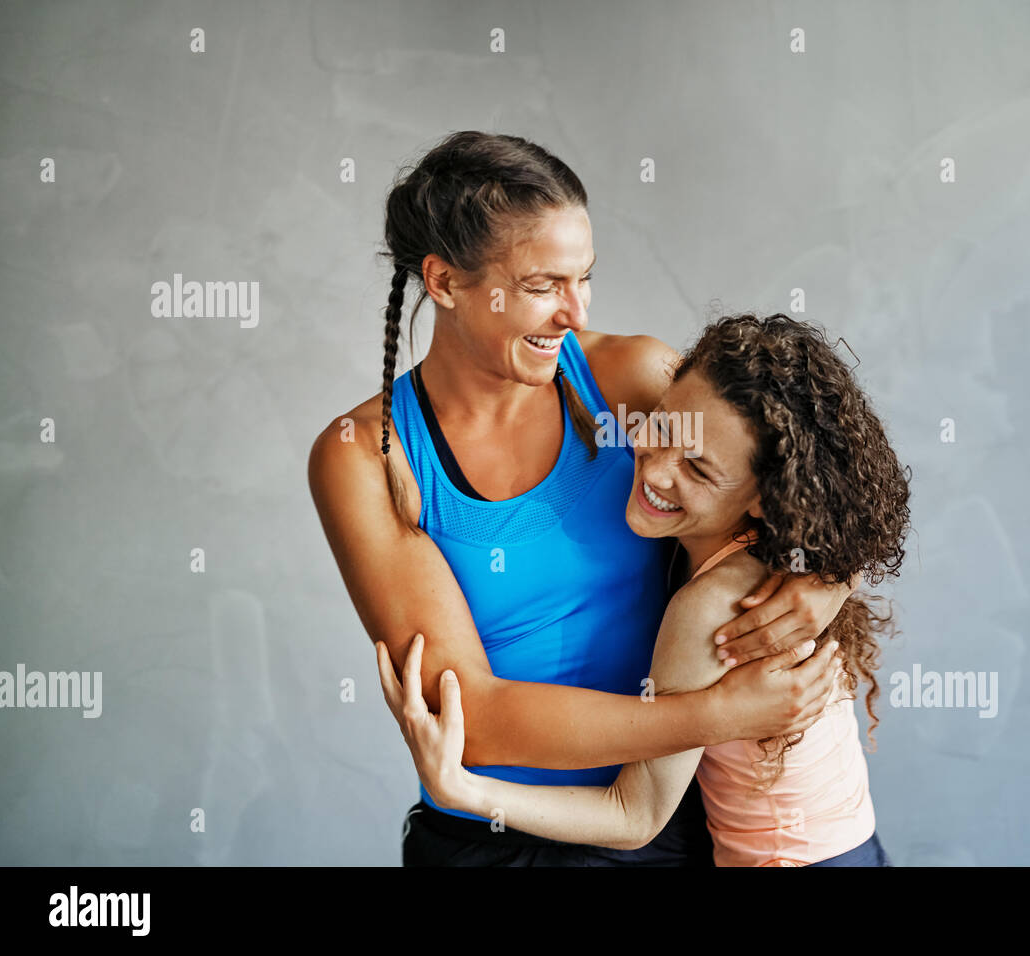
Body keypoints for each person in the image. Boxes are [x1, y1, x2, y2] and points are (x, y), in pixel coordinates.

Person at [308, 132, 859, 865]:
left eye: (585, 279)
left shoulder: (631, 381)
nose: (575, 312)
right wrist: (709, 714)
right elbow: (476, 715)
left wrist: (828, 577)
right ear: (442, 282)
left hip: (664, 822)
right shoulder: (365, 456)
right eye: (543, 286)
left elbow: (803, 476)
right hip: (488, 841)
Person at [379, 313, 913, 866]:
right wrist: (836, 576)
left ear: (764, 496)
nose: (658, 472)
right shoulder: (775, 552)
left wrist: (461, 790)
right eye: (660, 428)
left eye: (699, 471)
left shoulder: (713, 607)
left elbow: (633, 816)